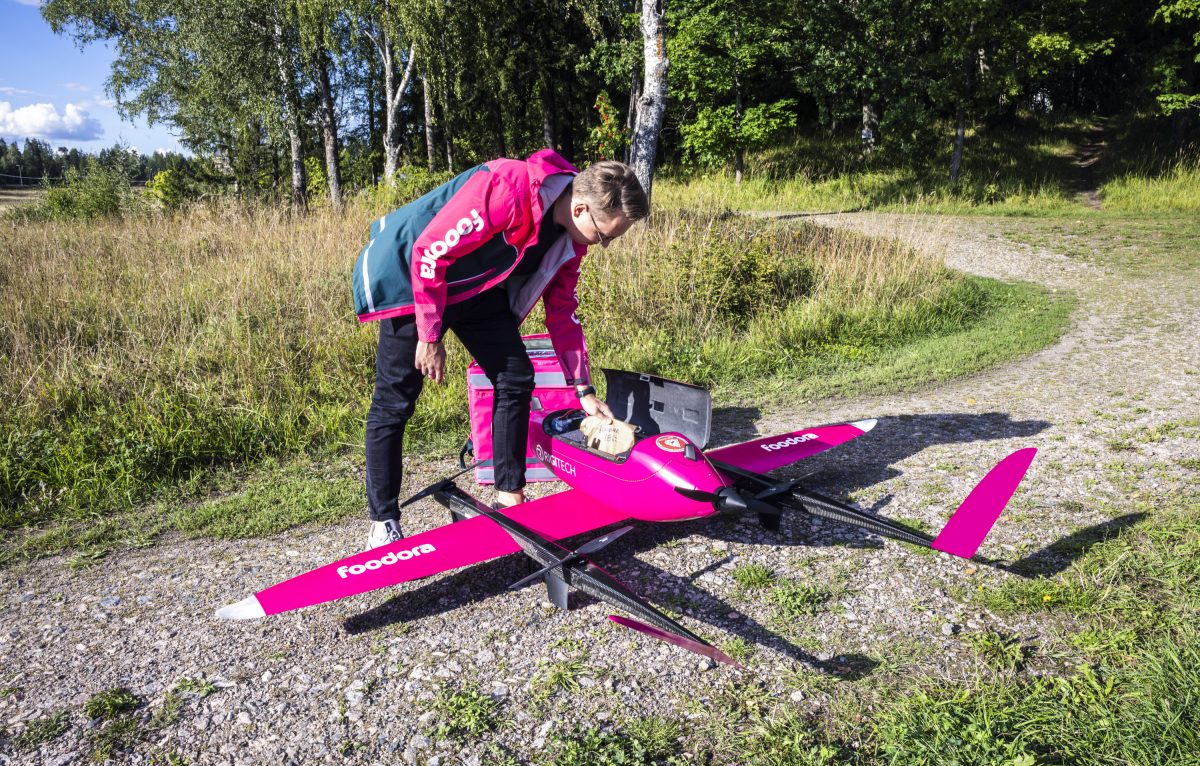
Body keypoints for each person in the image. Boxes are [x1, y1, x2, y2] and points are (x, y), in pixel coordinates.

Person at [352, 149, 649, 549]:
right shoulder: (508, 188)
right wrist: (429, 334)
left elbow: (562, 312)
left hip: (473, 292)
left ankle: (510, 496)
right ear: (580, 209)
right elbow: (430, 252)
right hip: (415, 281)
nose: (603, 245)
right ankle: (383, 520)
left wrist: (585, 390)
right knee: (395, 401)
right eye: (606, 236)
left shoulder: (572, 240)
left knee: (515, 377)